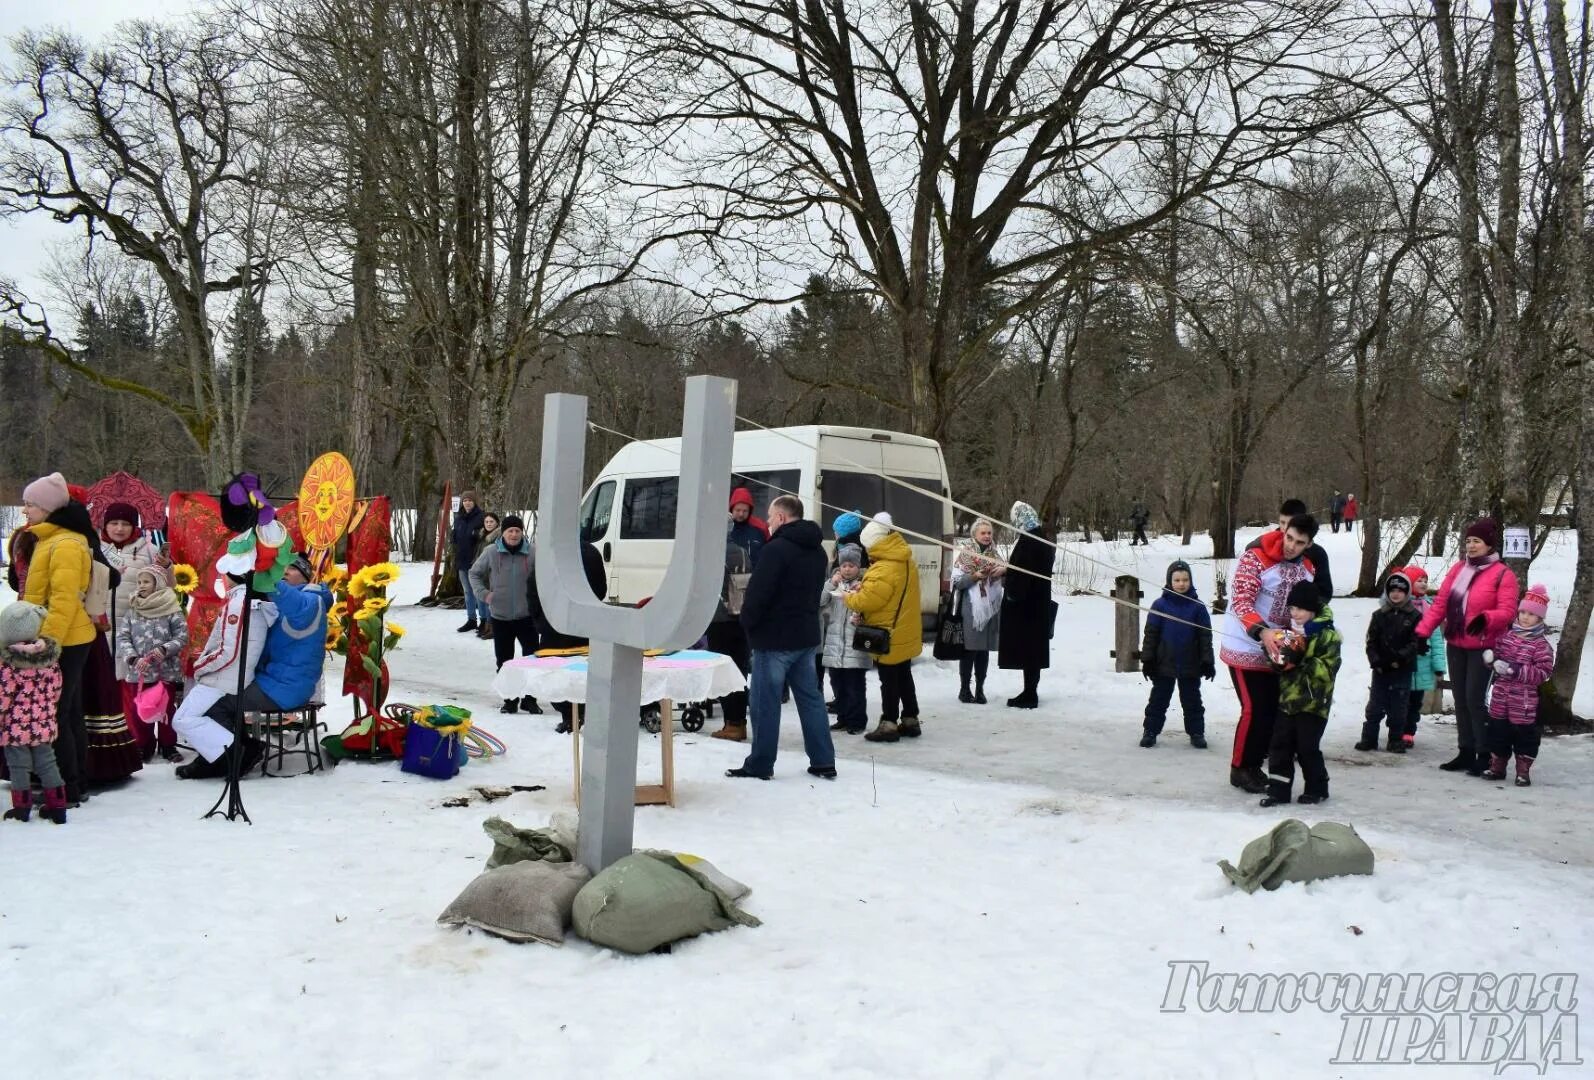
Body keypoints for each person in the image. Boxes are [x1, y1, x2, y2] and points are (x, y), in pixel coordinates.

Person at [727, 495, 834, 780]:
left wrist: (748, 623)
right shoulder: (818, 550)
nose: (768, 522)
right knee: (810, 699)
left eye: (771, 517)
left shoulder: (776, 550)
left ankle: (760, 764)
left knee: (765, 703)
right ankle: (824, 760)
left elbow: (759, 593)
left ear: (783, 518)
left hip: (774, 638)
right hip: (806, 635)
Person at [1219, 513, 1319, 793]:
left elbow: (1304, 608)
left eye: (1300, 543)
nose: (1292, 546)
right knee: (1255, 708)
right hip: (1246, 642)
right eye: (1289, 538)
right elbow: (1241, 600)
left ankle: (1257, 762)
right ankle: (1240, 768)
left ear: (1308, 544)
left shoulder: (1308, 569)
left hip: (1279, 648)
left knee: (1275, 710)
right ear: (1283, 530)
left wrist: (1299, 635)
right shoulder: (1256, 557)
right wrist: (1261, 631)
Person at [1414, 517, 1520, 776]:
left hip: (1485, 646)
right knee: (1460, 699)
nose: (1471, 546)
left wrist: (1487, 618)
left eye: (1477, 541)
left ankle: (1485, 754)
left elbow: (1508, 611)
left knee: (1474, 698)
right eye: (1468, 541)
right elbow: (1440, 604)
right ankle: (1465, 750)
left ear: (1489, 545)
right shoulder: (1459, 569)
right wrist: (1422, 632)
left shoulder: (1503, 575)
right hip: (1456, 642)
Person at [19, 475, 97, 806]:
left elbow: (64, 599)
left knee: (56, 712)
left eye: (30, 504)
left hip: (66, 637)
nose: (25, 511)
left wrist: (48, 640)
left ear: (48, 508)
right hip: (66, 634)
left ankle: (67, 785)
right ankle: (75, 779)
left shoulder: (64, 544)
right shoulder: (52, 539)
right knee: (68, 710)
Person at [171, 577, 278, 776]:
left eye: (225, 573)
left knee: (183, 719)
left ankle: (237, 751)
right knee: (200, 716)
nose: (221, 578)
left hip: (222, 675)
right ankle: (239, 749)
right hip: (233, 674)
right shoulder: (252, 601)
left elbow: (229, 650)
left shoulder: (239, 602)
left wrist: (201, 666)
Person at [1260, 581, 1341, 807]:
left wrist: (1299, 660)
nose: (1295, 614)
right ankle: (1278, 790)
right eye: (1292, 609)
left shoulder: (1328, 636)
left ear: (1313, 609)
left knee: (1307, 748)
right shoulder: (1290, 633)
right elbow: (1280, 666)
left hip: (1314, 704)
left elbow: (1328, 669)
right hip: (1288, 701)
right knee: (1279, 746)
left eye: (1300, 609)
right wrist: (1274, 655)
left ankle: (1317, 788)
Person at [845, 512, 923, 741]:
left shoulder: (884, 567)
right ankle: (910, 719)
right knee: (904, 676)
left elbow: (868, 600)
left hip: (888, 633)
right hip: (905, 630)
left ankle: (889, 723)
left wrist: (848, 596)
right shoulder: (905, 559)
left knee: (888, 680)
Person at [527, 530, 607, 733]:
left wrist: (539, 620)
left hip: (554, 624)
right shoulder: (592, 552)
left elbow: (534, 589)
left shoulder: (549, 554)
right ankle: (580, 711)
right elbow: (601, 589)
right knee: (581, 672)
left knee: (555, 672)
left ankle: (568, 714)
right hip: (584, 624)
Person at [0, 601, 67, 824]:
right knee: (47, 763)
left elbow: (3, 698)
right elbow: (57, 689)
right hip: (44, 722)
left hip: (15, 727)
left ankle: (21, 807)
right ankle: (58, 806)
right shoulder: (48, 659)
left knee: (18, 766)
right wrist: (48, 710)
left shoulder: (9, 664)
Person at [1481, 584, 1554, 786]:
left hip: (1524, 702)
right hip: (1500, 697)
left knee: (1525, 738)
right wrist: (1491, 660)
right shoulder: (1506, 637)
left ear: (1540, 618)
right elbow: (1497, 661)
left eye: (1531, 614)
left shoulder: (1541, 645)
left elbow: (1543, 673)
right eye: (1522, 612)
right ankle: (1497, 766)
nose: (1525, 617)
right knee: (1498, 733)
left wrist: (1516, 670)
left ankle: (1523, 770)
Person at [469, 515, 541, 714]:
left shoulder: (533, 552)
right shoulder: (491, 552)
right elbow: (474, 574)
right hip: (500, 617)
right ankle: (510, 700)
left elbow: (543, 578)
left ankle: (530, 699)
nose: (514, 534)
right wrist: (484, 595)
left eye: (518, 531)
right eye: (510, 531)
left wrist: (537, 603)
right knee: (504, 661)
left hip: (527, 617)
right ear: (504, 532)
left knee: (532, 660)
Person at [116, 566, 188, 763]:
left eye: (147, 582)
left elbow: (182, 636)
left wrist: (165, 649)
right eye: (140, 582)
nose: (142, 586)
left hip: (165, 671)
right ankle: (142, 744)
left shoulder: (171, 609)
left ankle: (168, 745)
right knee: (139, 710)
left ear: (159, 583)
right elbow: (122, 637)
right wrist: (133, 658)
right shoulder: (133, 609)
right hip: (139, 672)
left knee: (166, 709)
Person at [1138, 559, 1213, 748]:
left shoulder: (1198, 607)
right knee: (1158, 700)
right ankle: (1150, 730)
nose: (1181, 584)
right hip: (1164, 663)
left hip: (1190, 663)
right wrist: (1147, 660)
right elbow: (1151, 635)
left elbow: (1205, 637)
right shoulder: (1160, 606)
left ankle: (1196, 732)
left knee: (1192, 700)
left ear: (1191, 581)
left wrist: (1207, 661)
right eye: (1177, 580)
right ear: (1169, 581)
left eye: (1185, 580)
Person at [998, 502, 1057, 709]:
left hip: (1028, 608)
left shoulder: (1029, 543)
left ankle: (1030, 694)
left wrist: (1010, 587)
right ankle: (1029, 691)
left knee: (1029, 651)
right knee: (1033, 651)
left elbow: (1023, 575)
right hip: (1037, 605)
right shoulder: (1041, 538)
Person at [1358, 570, 1421, 754]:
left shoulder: (1414, 616)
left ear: (1407, 592)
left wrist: (1399, 658)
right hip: (1380, 670)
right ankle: (1369, 738)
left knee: (1399, 707)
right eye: (1392, 589)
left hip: (1402, 669)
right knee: (1375, 705)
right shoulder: (1379, 615)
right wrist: (1376, 661)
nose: (1396, 593)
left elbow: (1415, 643)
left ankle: (1395, 739)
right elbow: (1371, 641)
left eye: (1400, 590)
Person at [819, 544, 870, 735]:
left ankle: (857, 720)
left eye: (851, 565)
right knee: (837, 683)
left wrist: (862, 616)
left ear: (858, 567)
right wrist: (830, 584)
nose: (847, 569)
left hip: (854, 645)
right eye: (844, 565)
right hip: (834, 644)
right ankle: (842, 717)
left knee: (855, 686)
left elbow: (870, 609)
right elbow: (820, 602)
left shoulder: (865, 584)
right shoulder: (833, 583)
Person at [707, 536, 753, 742]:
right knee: (739, 670)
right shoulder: (742, 551)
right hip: (740, 616)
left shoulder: (711, 551)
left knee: (723, 671)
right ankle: (738, 723)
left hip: (719, 618)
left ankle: (731, 724)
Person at [952, 518, 1003, 704]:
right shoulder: (965, 555)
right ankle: (964, 689)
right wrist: (975, 576)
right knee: (970, 649)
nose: (987, 536)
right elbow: (957, 583)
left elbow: (1004, 581)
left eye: (989, 533)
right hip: (971, 609)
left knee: (983, 650)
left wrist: (1003, 572)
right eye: (983, 533)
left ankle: (980, 689)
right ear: (975, 535)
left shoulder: (995, 554)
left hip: (989, 609)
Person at [1403, 564, 1446, 746]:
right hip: (1402, 663)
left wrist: (1438, 666)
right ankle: (1396, 727)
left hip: (1423, 664)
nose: (1423, 583)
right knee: (1399, 700)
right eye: (1418, 580)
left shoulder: (1430, 608)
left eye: (1425, 581)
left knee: (1415, 702)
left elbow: (1436, 640)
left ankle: (1408, 732)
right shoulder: (1399, 605)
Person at [1259, 499, 1332, 602]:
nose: (1284, 528)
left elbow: (1324, 593)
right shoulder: (1265, 544)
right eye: (1282, 522)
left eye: (1289, 523)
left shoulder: (1316, 554)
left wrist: (1306, 610)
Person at [451, 491, 486, 634]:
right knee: (467, 592)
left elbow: (484, 536)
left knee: (479, 591)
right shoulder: (459, 517)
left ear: (475, 502)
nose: (467, 503)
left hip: (476, 560)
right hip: (461, 559)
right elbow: (455, 535)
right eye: (465, 500)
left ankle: (484, 620)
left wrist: (475, 535)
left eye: (470, 500)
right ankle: (471, 619)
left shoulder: (481, 517)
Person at [476, 512, 502, 639]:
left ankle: (492, 627)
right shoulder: (482, 536)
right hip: (482, 571)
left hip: (492, 572)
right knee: (483, 599)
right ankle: (485, 625)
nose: (489, 524)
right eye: (486, 522)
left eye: (491, 522)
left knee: (490, 601)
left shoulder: (499, 537)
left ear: (497, 523)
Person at [728, 487, 768, 565]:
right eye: (738, 510)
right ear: (731, 509)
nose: (741, 514)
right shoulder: (723, 526)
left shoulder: (761, 527)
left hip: (754, 574)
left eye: (745, 511)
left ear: (750, 511)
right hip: (728, 574)